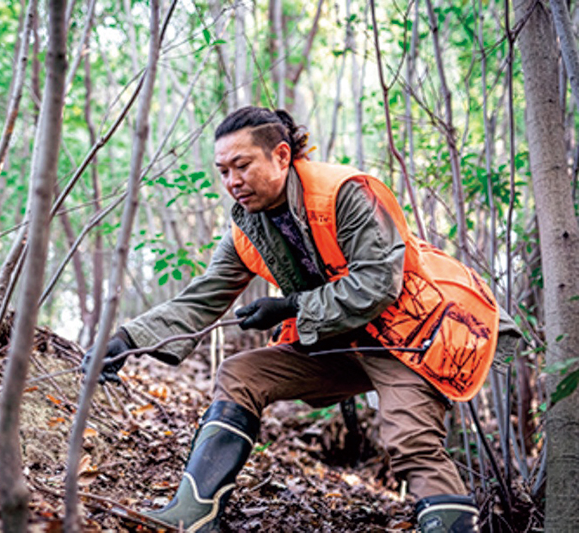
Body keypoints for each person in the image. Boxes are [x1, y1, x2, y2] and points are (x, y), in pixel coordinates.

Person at [82, 107, 521, 533]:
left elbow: (376, 283)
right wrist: (127, 340)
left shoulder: (346, 193)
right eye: (223, 171)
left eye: (242, 166)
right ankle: (192, 515)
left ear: (281, 156)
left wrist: (291, 306)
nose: (233, 181)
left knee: (411, 441)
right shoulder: (246, 229)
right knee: (240, 375)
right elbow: (202, 297)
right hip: (340, 341)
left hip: (410, 336)